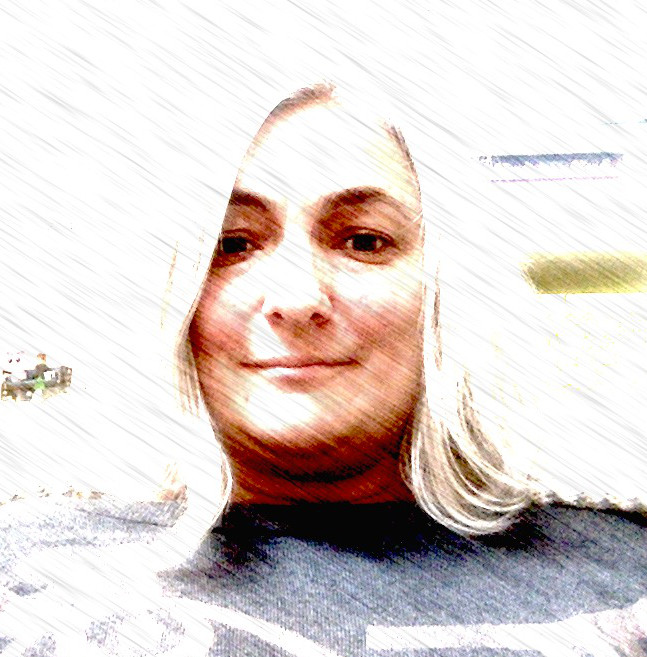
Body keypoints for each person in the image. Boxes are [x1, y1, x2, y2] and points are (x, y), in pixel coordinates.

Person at [0, 83, 645, 656]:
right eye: (232, 244)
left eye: (364, 241)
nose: (296, 296)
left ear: (449, 292)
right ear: (174, 289)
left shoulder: (623, 582)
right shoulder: (26, 576)